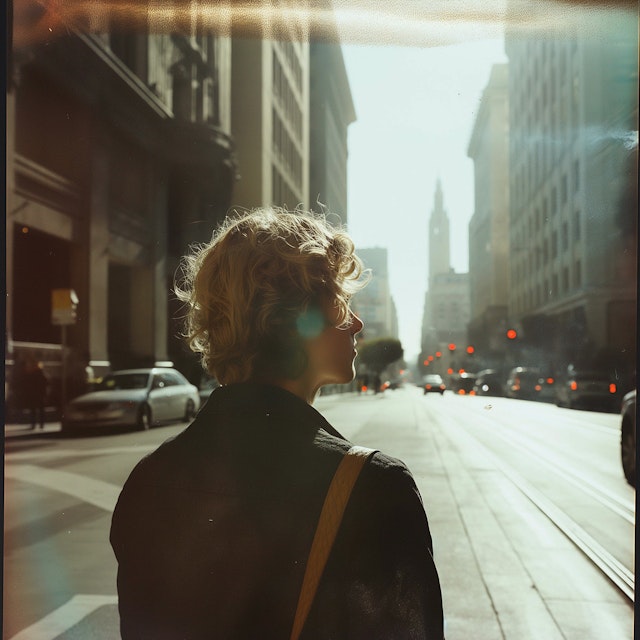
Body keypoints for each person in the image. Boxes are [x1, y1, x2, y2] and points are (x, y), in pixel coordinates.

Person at [110, 207, 444, 639]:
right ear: (295, 322)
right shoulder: (373, 487)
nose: (357, 323)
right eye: (342, 305)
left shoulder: (146, 479)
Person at [21, 358, 48, 429]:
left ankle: (33, 424)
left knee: (33, 410)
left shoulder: (31, 374)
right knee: (41, 410)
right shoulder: (43, 374)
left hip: (33, 394)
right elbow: (46, 384)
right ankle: (42, 424)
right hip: (41, 394)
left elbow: (28, 385)